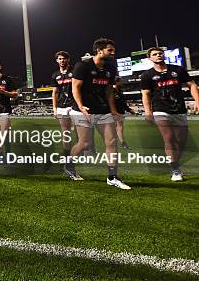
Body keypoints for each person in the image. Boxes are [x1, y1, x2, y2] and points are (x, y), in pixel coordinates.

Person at [66, 38, 130, 189]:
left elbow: (109, 90)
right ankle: (69, 166)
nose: (113, 53)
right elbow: (75, 87)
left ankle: (112, 177)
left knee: (111, 142)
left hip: (103, 110)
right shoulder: (83, 65)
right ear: (99, 50)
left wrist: (113, 110)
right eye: (110, 50)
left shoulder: (111, 68)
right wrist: (81, 106)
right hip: (83, 110)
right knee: (85, 143)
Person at [141, 47, 199, 181]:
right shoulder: (147, 75)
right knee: (169, 138)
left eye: (160, 53)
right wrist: (148, 112)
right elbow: (146, 94)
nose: (158, 55)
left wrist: (197, 100)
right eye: (154, 54)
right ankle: (175, 170)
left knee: (181, 141)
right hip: (160, 109)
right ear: (150, 58)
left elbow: (191, 85)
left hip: (179, 109)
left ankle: (174, 163)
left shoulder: (178, 70)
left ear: (164, 55)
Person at [51, 51, 75, 158]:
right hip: (62, 107)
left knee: (80, 131)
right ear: (57, 60)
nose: (62, 60)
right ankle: (66, 155)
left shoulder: (75, 71)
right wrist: (55, 109)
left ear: (68, 59)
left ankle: (83, 152)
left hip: (75, 105)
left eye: (64, 58)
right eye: (60, 59)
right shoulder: (55, 75)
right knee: (65, 133)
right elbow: (55, 92)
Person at [113, 76, 136, 150]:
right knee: (117, 128)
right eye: (120, 81)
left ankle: (122, 143)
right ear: (116, 82)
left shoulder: (119, 91)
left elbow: (123, 103)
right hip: (114, 112)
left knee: (119, 128)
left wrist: (129, 110)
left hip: (120, 112)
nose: (121, 82)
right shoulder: (111, 90)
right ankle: (120, 143)